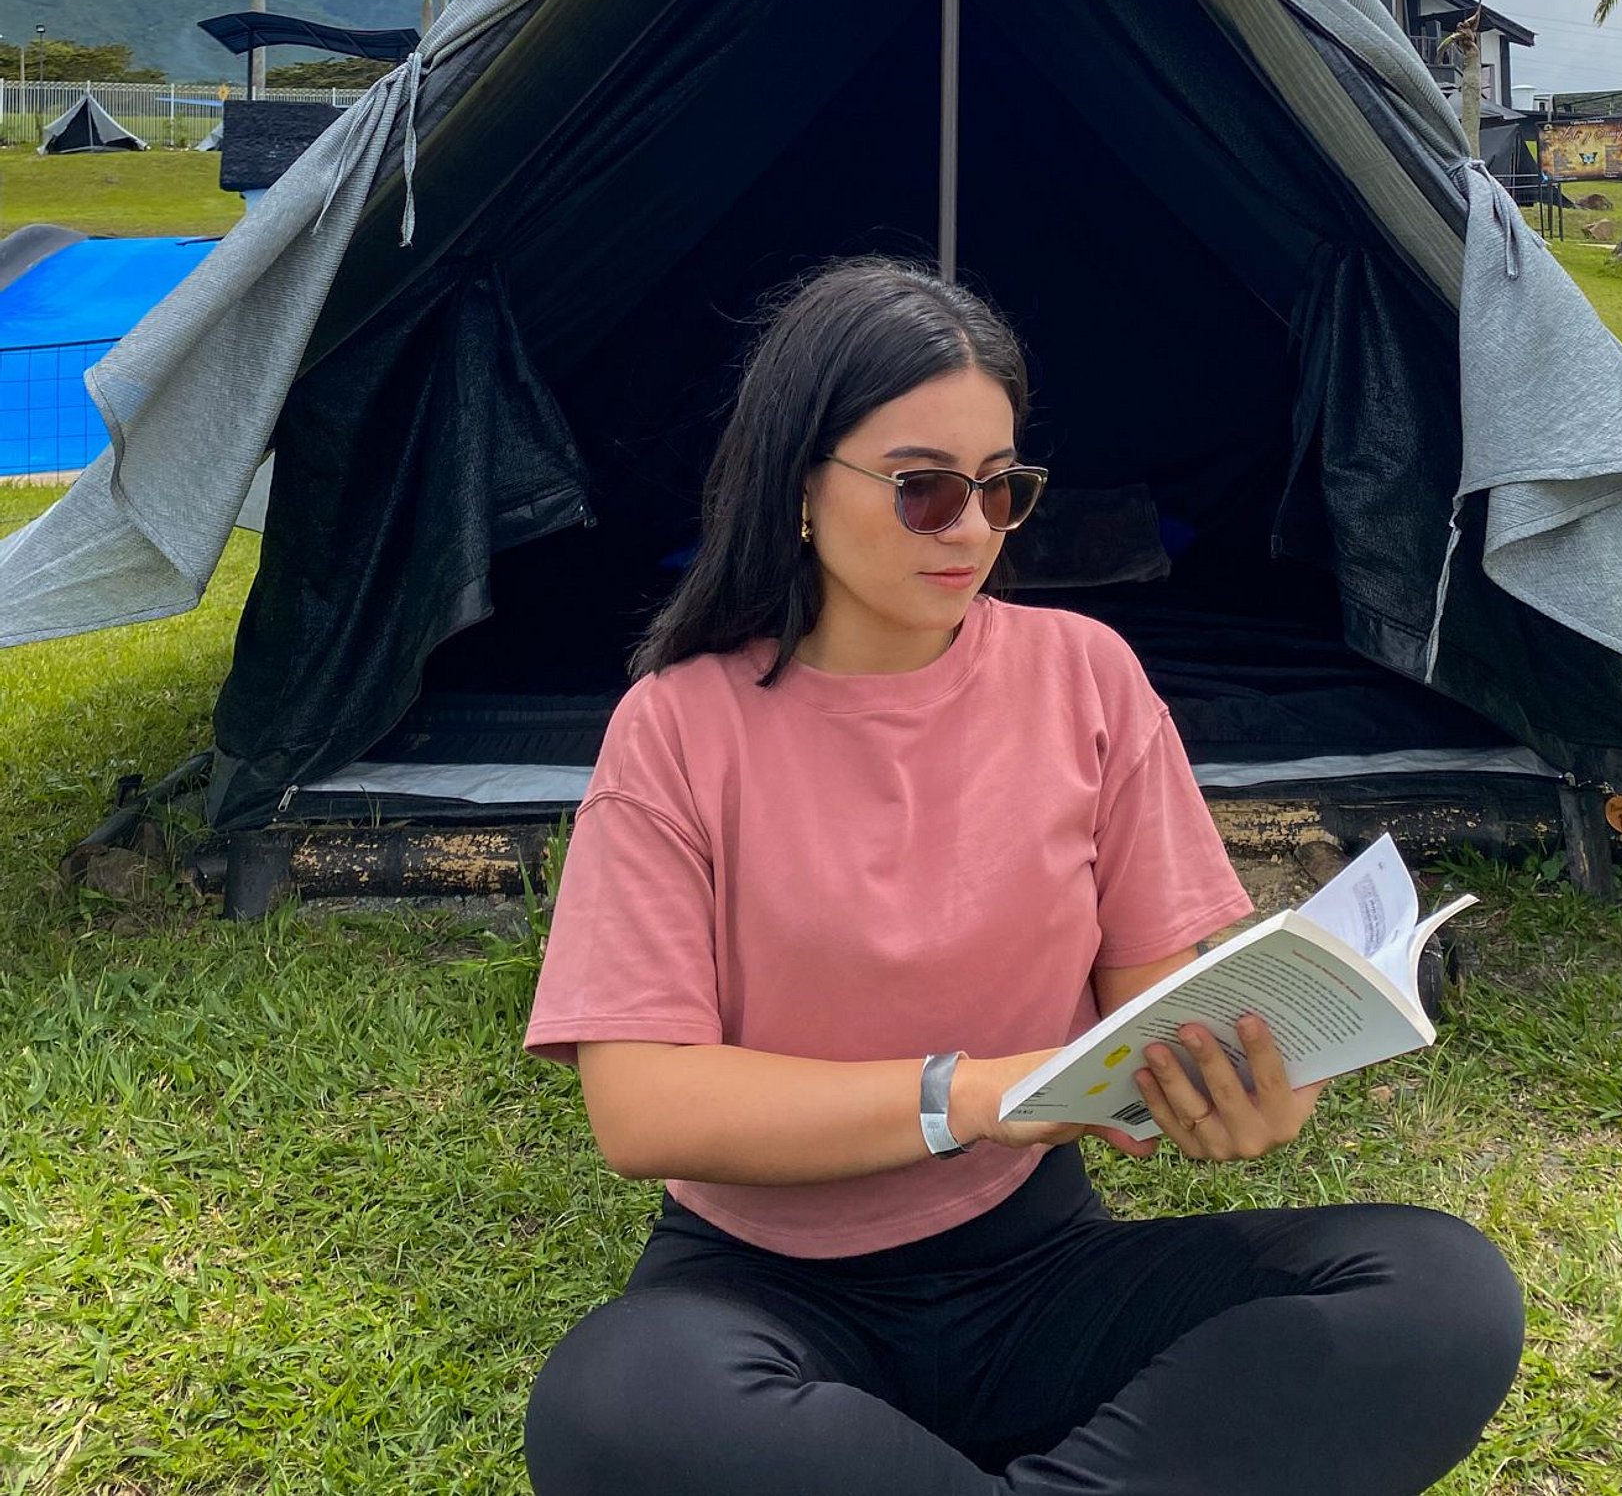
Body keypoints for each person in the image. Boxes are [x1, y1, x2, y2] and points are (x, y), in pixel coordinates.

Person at [520, 257, 1523, 1494]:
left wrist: (1244, 1085)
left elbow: (1157, 1007)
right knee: (616, 1408)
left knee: (1437, 1290)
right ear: (796, 487)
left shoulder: (1084, 676)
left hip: (1037, 1268)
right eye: (924, 489)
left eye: (999, 488)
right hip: (760, 1292)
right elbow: (646, 1108)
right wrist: (978, 1094)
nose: (973, 529)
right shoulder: (679, 725)